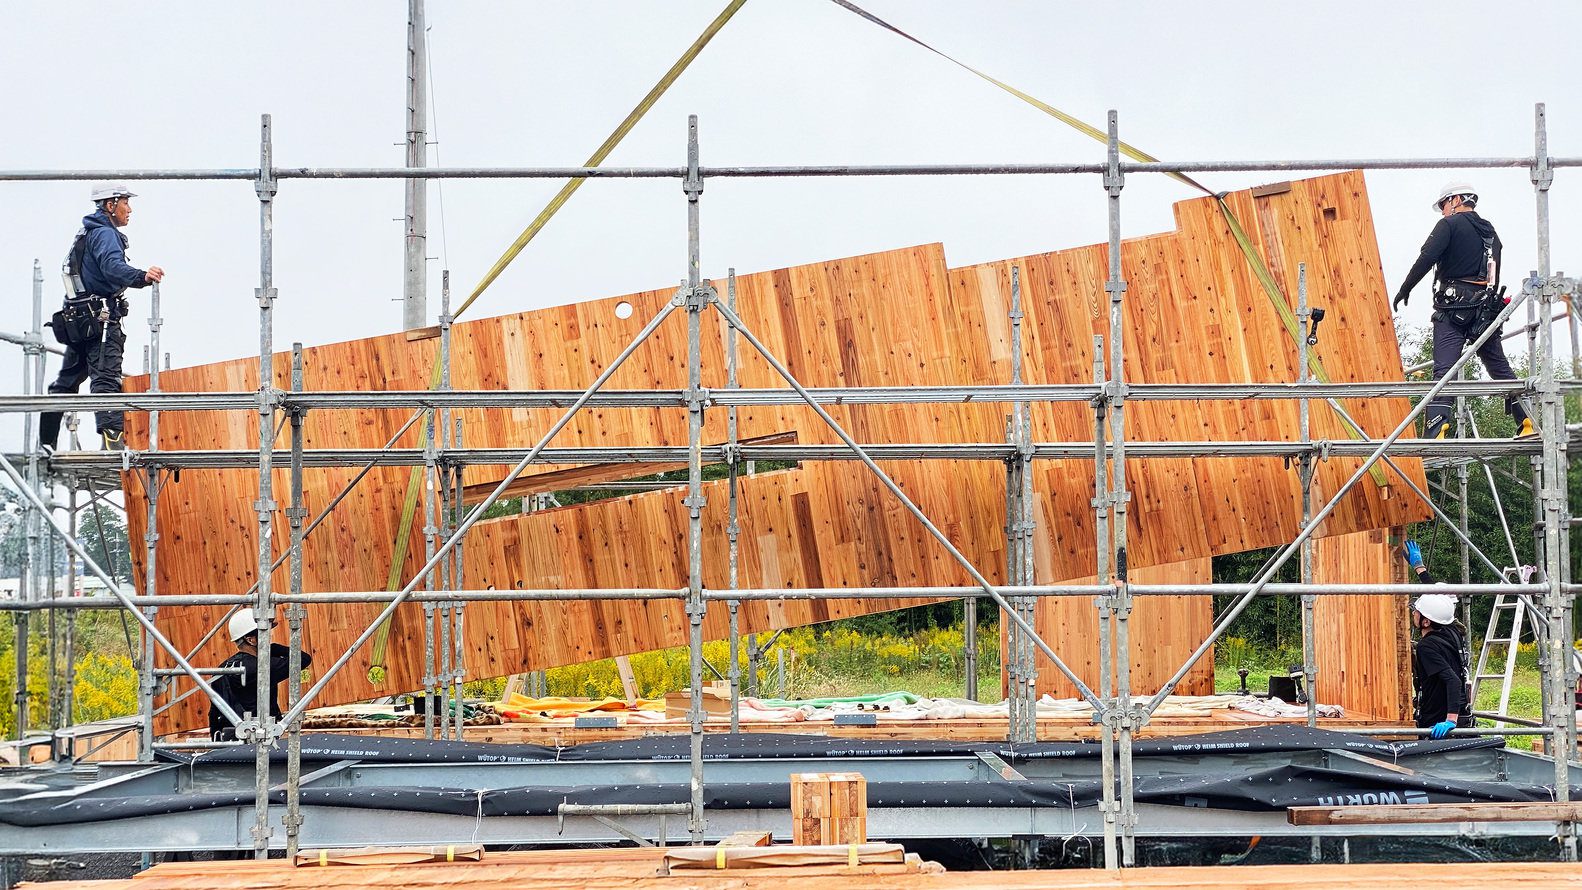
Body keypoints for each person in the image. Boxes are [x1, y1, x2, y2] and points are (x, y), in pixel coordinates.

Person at [1393, 182, 1532, 440]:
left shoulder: (1449, 225)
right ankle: (1528, 421)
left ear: (1456, 199)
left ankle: (1436, 427)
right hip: (1484, 309)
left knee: (1444, 368)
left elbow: (1427, 257)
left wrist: (1405, 288)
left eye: (1444, 205)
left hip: (1453, 305)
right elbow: (1493, 271)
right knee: (1498, 366)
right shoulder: (1490, 232)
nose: (1443, 211)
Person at [39, 183, 165, 453]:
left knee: (67, 381)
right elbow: (112, 268)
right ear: (110, 205)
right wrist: (142, 275)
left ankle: (45, 442)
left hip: (80, 319)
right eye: (125, 203)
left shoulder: (87, 231)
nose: (129, 209)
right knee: (106, 379)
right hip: (101, 321)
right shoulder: (105, 234)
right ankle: (113, 444)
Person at [207, 610, 313, 742]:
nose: (269, 637)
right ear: (251, 640)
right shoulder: (263, 667)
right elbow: (303, 659)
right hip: (257, 738)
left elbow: (214, 711)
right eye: (264, 633)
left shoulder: (223, 667)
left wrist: (215, 742)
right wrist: (273, 648)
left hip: (229, 739)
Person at [1402, 540, 1471, 739]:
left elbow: (1453, 681)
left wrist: (1450, 720)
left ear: (1425, 622)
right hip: (1460, 717)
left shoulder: (1427, 646)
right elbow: (1438, 604)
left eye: (1417, 611)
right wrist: (1420, 569)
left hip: (1436, 723)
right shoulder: (1451, 630)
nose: (1413, 612)